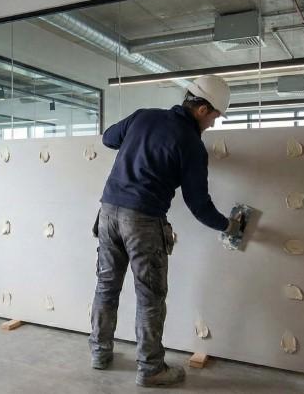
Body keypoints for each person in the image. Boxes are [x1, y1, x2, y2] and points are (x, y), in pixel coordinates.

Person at [89, 75, 242, 387]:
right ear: (202, 109)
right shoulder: (191, 144)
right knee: (150, 297)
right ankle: (151, 369)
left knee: (106, 286)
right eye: (214, 117)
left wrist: (137, 142)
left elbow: (108, 138)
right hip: (142, 221)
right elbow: (198, 204)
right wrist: (228, 225)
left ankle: (100, 353)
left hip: (107, 212)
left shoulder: (143, 116)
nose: (212, 125)